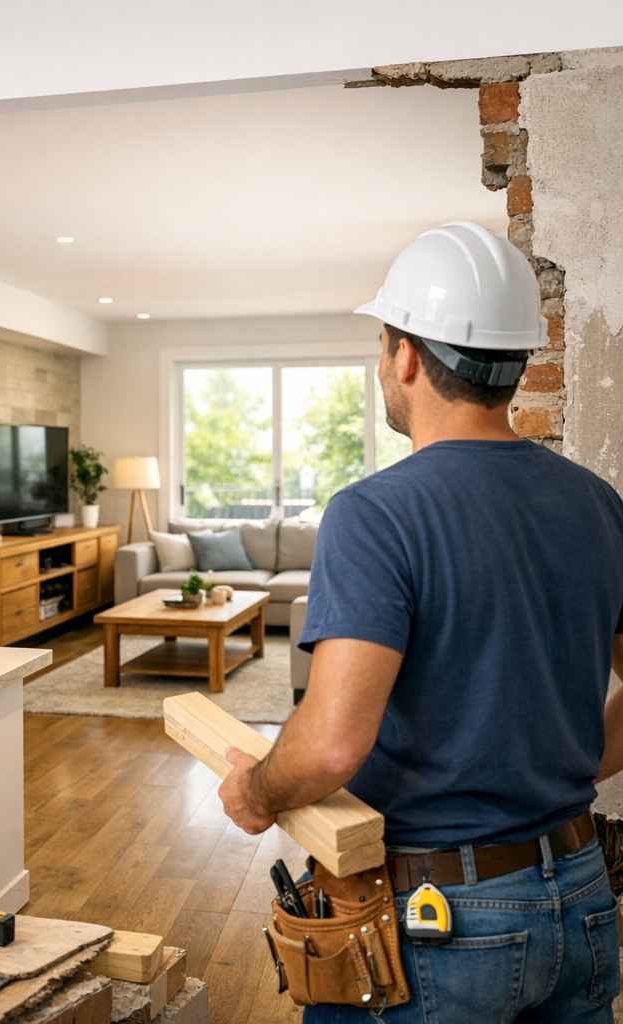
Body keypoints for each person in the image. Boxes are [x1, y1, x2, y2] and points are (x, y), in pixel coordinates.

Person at [218, 222, 623, 1022]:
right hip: (582, 891)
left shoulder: (376, 513)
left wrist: (257, 789)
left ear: (405, 355)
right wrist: (557, 770)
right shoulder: (598, 504)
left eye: (381, 344)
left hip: (441, 923)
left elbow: (334, 741)